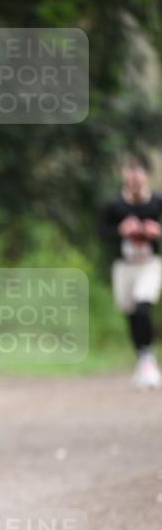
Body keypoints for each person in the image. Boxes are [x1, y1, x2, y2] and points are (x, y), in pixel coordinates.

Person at [100, 154, 162, 389]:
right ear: (124, 175)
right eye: (130, 171)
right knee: (132, 313)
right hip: (124, 266)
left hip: (149, 264)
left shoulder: (156, 202)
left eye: (138, 171)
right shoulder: (114, 205)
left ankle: (148, 359)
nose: (134, 177)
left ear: (146, 176)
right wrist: (120, 230)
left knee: (144, 306)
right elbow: (102, 233)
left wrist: (157, 231)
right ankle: (142, 358)